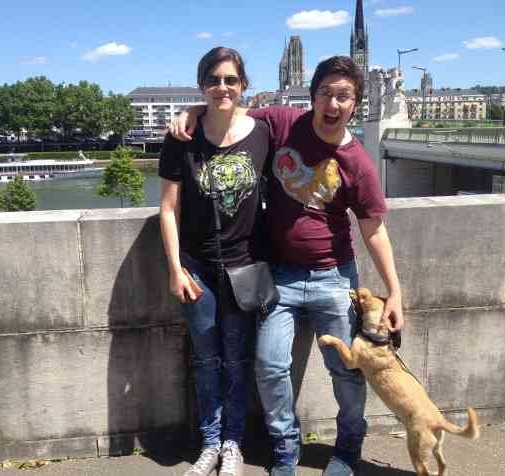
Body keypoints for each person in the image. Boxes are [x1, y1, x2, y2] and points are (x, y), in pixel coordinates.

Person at [171, 56, 404, 476]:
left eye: (344, 96)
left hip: (334, 277)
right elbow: (229, 111)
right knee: (270, 365)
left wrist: (395, 291)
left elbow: (374, 231)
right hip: (279, 278)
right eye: (326, 94)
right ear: (313, 96)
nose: (333, 104)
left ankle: (348, 446)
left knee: (346, 371)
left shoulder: (358, 162)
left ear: (356, 104)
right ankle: (285, 449)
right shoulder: (282, 123)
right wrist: (193, 110)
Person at [159, 46, 270, 476]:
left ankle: (233, 444)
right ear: (201, 85)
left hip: (245, 268)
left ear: (243, 85)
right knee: (206, 360)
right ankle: (209, 442)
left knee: (238, 360)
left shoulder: (262, 132)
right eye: (213, 80)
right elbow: (168, 209)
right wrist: (175, 268)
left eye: (230, 80)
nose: (222, 87)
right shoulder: (182, 137)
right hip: (197, 269)